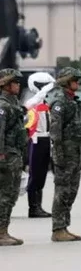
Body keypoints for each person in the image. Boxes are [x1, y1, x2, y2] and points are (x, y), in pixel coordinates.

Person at [48, 66, 81, 242]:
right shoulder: (60, 102)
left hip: (75, 153)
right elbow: (55, 131)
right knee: (62, 190)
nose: (77, 83)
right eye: (74, 80)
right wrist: (59, 154)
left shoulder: (72, 100)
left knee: (72, 190)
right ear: (66, 81)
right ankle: (58, 228)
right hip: (65, 153)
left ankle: (65, 226)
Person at [0, 68, 27, 246]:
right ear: (7, 85)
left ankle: (4, 230)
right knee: (5, 195)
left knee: (10, 195)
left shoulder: (13, 104)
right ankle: (1, 233)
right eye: (15, 83)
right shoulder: (3, 106)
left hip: (13, 155)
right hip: (6, 156)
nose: (18, 86)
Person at [23, 71, 56, 218]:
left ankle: (39, 206)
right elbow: (30, 105)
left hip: (45, 139)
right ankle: (33, 207)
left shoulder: (44, 103)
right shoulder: (32, 101)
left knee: (42, 174)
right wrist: (47, 87)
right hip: (35, 140)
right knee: (34, 174)